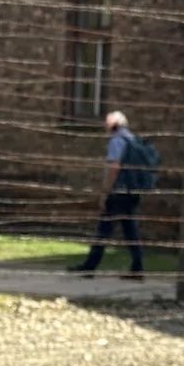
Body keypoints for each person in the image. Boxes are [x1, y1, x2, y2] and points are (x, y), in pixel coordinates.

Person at [68, 111, 147, 279]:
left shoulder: (117, 140)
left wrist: (105, 191)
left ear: (113, 125)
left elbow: (114, 167)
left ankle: (89, 267)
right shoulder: (132, 139)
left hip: (118, 191)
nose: (104, 126)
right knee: (130, 230)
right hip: (132, 191)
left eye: (106, 123)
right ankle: (138, 268)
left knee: (104, 230)